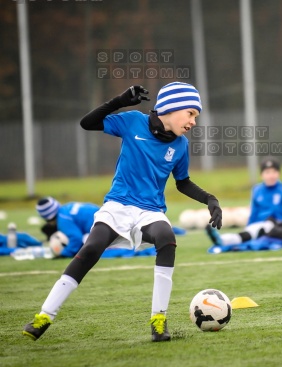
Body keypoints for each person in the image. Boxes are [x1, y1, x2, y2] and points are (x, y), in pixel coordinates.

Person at [22, 82, 223, 342]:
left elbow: (182, 182)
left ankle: (158, 321)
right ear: (172, 109)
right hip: (117, 205)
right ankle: (44, 317)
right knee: (92, 248)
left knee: (167, 237)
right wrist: (118, 101)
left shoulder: (181, 145)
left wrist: (210, 199)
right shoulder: (132, 122)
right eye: (191, 113)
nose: (194, 121)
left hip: (150, 211)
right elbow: (87, 123)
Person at [205, 158, 282, 252]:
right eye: (267, 172)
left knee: (266, 226)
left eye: (274, 172)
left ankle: (226, 240)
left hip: (279, 226)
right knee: (249, 233)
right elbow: (254, 212)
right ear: (261, 174)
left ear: (279, 173)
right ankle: (222, 240)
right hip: (259, 225)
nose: (271, 175)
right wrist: (249, 226)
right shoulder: (257, 190)